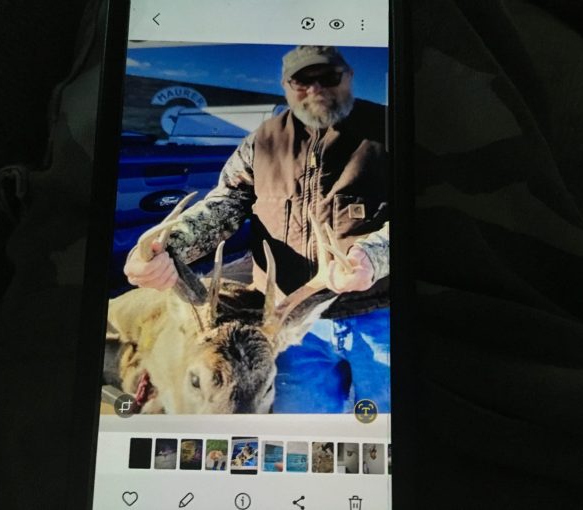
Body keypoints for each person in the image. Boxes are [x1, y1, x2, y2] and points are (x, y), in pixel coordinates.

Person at [124, 45, 390, 413]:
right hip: (286, 327)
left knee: (385, 423)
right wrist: (167, 250)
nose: (315, 89)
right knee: (297, 431)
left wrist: (373, 257)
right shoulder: (262, 141)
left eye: (328, 77)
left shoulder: (389, 132)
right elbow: (226, 203)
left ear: (349, 77)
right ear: (286, 86)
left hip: (378, 316)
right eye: (302, 80)